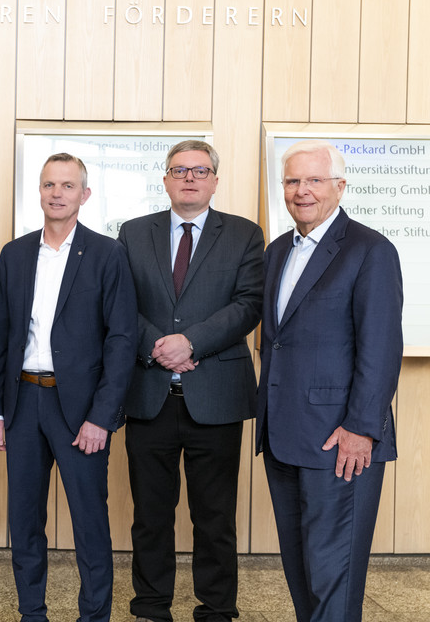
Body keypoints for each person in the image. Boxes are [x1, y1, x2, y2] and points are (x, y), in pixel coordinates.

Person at [117, 140, 264, 622]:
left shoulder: (244, 234)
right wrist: (160, 344)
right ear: (165, 179)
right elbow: (120, 306)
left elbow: (248, 304)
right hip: (149, 393)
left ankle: (217, 608)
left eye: (200, 171)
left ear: (215, 181)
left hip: (215, 396)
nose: (189, 179)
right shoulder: (133, 233)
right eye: (179, 170)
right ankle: (151, 605)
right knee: (150, 516)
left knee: (215, 517)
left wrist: (191, 343)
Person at [257, 140, 403, 622]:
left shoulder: (370, 250)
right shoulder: (278, 250)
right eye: (293, 181)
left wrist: (362, 429)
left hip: (341, 441)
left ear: (340, 186)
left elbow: (380, 350)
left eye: (314, 180)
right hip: (284, 436)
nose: (302, 191)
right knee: (302, 572)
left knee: (333, 577)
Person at [0, 152, 137, 622]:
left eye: (68, 186)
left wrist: (102, 417)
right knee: (25, 520)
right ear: (39, 190)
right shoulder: (14, 253)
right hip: (22, 404)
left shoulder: (108, 254)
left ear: (84, 195)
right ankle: (32, 611)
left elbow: (121, 340)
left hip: (80, 411)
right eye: (50, 184)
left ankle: (94, 616)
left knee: (90, 522)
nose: (57, 193)